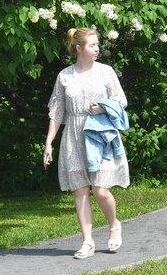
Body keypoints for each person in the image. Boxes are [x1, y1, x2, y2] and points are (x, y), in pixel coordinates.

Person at [44, 27, 129, 258]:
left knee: (100, 190)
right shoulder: (64, 76)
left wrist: (103, 107)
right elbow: (57, 111)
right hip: (73, 135)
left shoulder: (106, 72)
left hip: (99, 133)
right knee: (80, 191)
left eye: (97, 45)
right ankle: (87, 241)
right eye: (92, 45)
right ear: (79, 48)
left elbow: (121, 100)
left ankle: (114, 225)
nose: (97, 49)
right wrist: (49, 142)